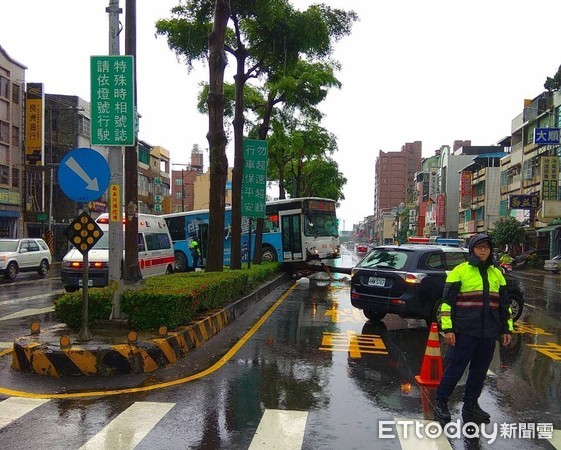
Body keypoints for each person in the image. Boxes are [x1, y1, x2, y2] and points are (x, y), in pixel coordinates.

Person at [434, 233, 513, 424]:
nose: (483, 250)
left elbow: (504, 306)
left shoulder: (497, 274)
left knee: (479, 371)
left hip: (488, 333)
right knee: (456, 369)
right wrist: (448, 329)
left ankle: (471, 405)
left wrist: (506, 330)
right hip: (464, 332)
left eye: (486, 247)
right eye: (479, 247)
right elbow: (446, 304)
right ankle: (441, 402)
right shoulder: (460, 271)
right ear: (472, 250)